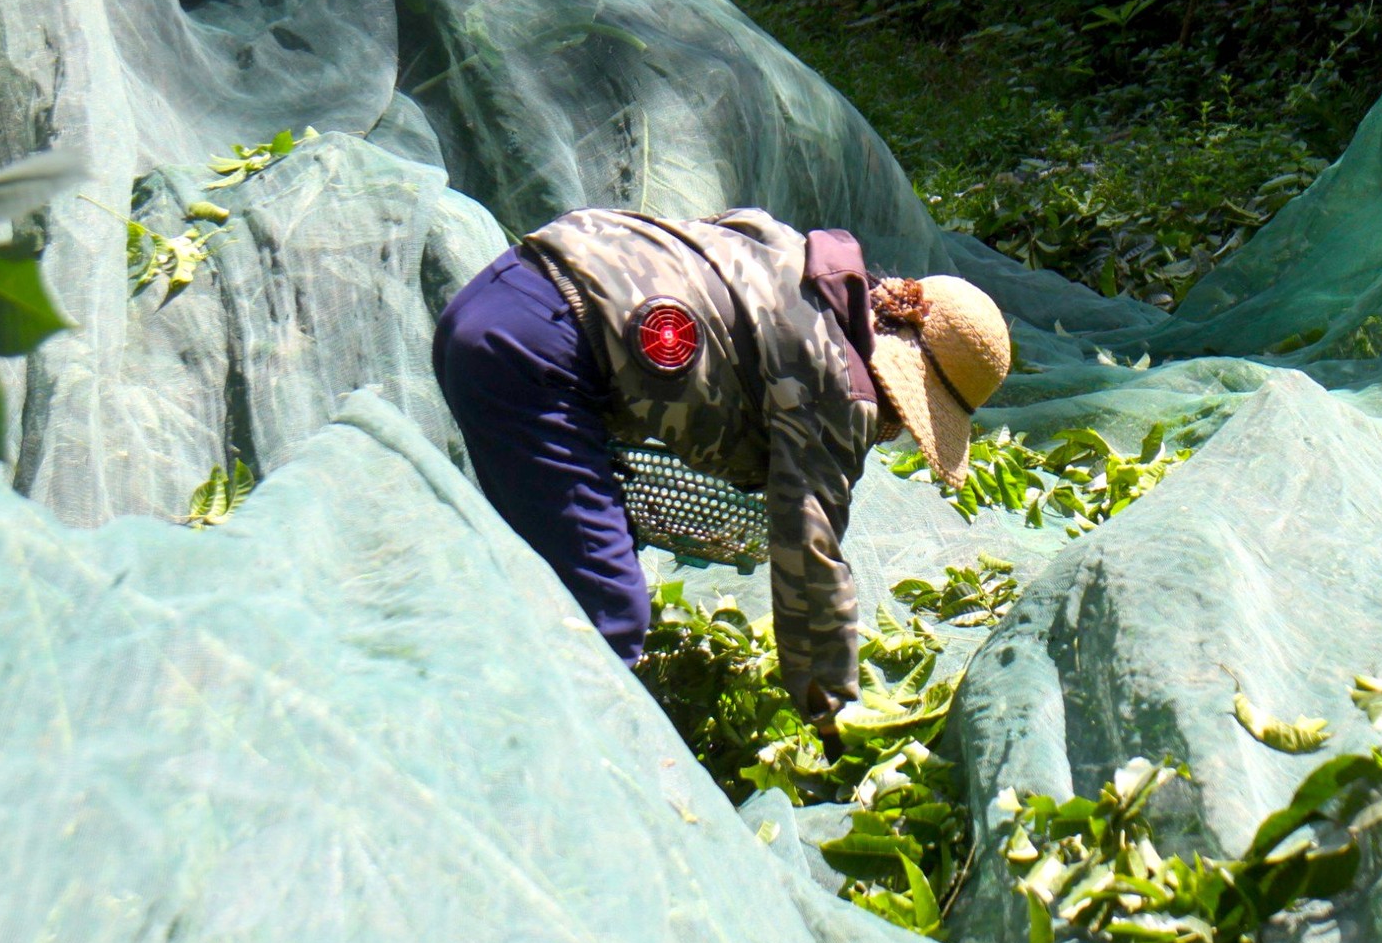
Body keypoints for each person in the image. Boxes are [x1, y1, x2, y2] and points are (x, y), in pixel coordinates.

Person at [432, 206, 1011, 729]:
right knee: (609, 616)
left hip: (499, 292)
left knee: (561, 566)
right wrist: (830, 714)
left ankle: (495, 701)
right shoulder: (837, 387)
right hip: (531, 356)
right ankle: (555, 773)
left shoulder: (799, 262)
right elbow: (809, 558)